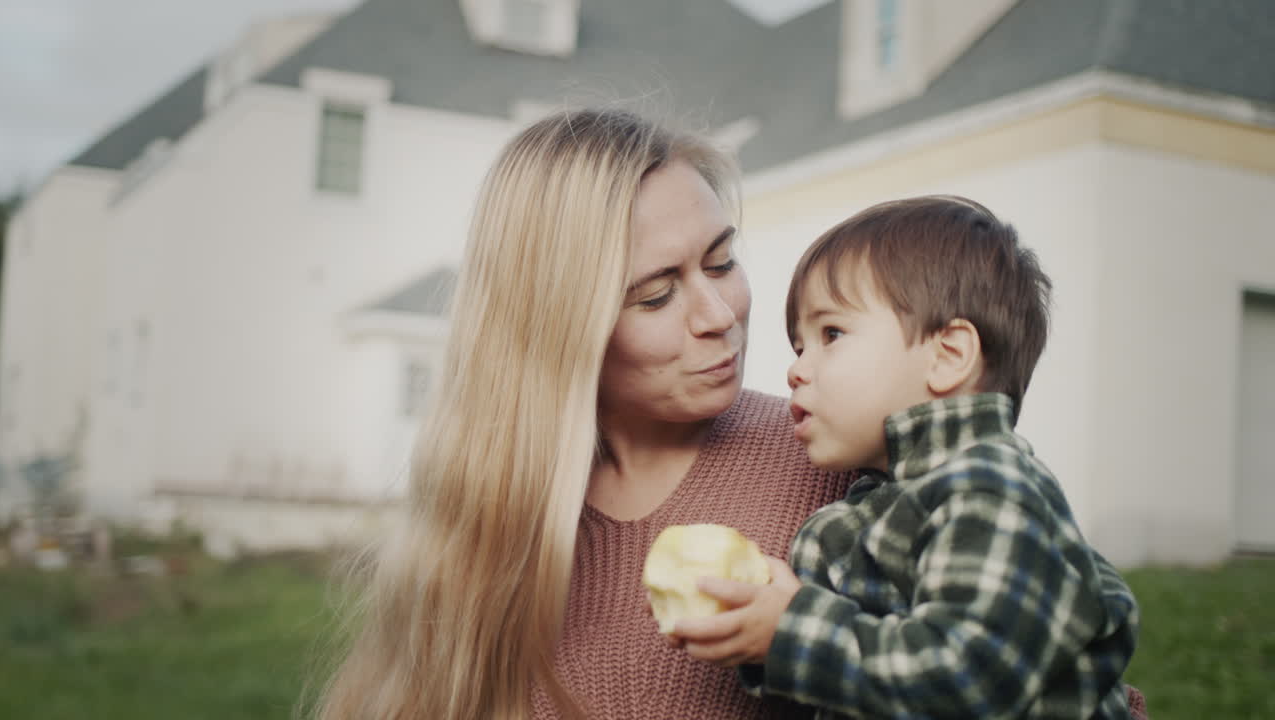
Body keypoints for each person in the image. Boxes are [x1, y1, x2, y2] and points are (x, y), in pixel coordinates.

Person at [310, 108, 851, 720]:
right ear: (561, 328)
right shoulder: (487, 526)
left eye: (721, 262)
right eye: (656, 294)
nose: (719, 315)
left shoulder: (833, 459)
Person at [671, 196, 1146, 718]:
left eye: (831, 335)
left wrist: (791, 631)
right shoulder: (873, 505)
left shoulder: (988, 490)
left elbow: (969, 680)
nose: (797, 370)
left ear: (948, 356)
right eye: (798, 346)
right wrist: (754, 629)